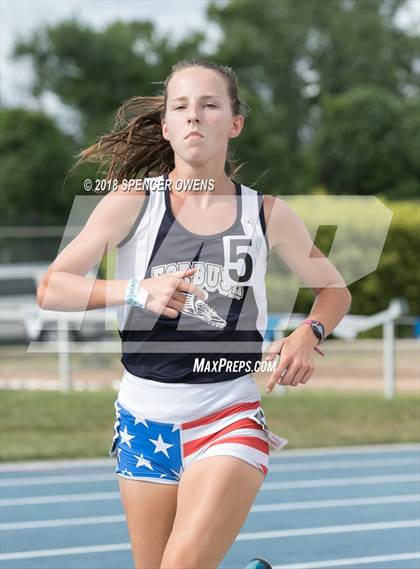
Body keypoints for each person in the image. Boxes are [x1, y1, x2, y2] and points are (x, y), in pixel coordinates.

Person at [37, 59, 352, 569]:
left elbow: (334, 291)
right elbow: (52, 288)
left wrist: (308, 334)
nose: (194, 117)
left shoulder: (267, 214)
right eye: (181, 107)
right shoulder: (130, 203)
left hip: (226, 414)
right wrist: (136, 289)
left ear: (234, 124)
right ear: (166, 126)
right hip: (144, 420)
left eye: (209, 105)